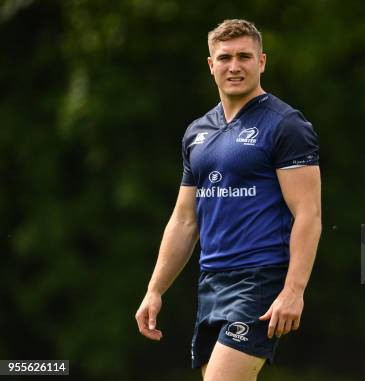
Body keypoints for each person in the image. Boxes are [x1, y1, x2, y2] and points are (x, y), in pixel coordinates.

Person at [135, 19, 321, 381]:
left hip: (260, 279)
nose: (234, 66)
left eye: (244, 57)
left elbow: (309, 214)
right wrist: (154, 289)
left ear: (262, 62)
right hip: (211, 282)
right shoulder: (197, 132)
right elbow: (185, 219)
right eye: (225, 58)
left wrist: (293, 291)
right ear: (211, 65)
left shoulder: (286, 125)